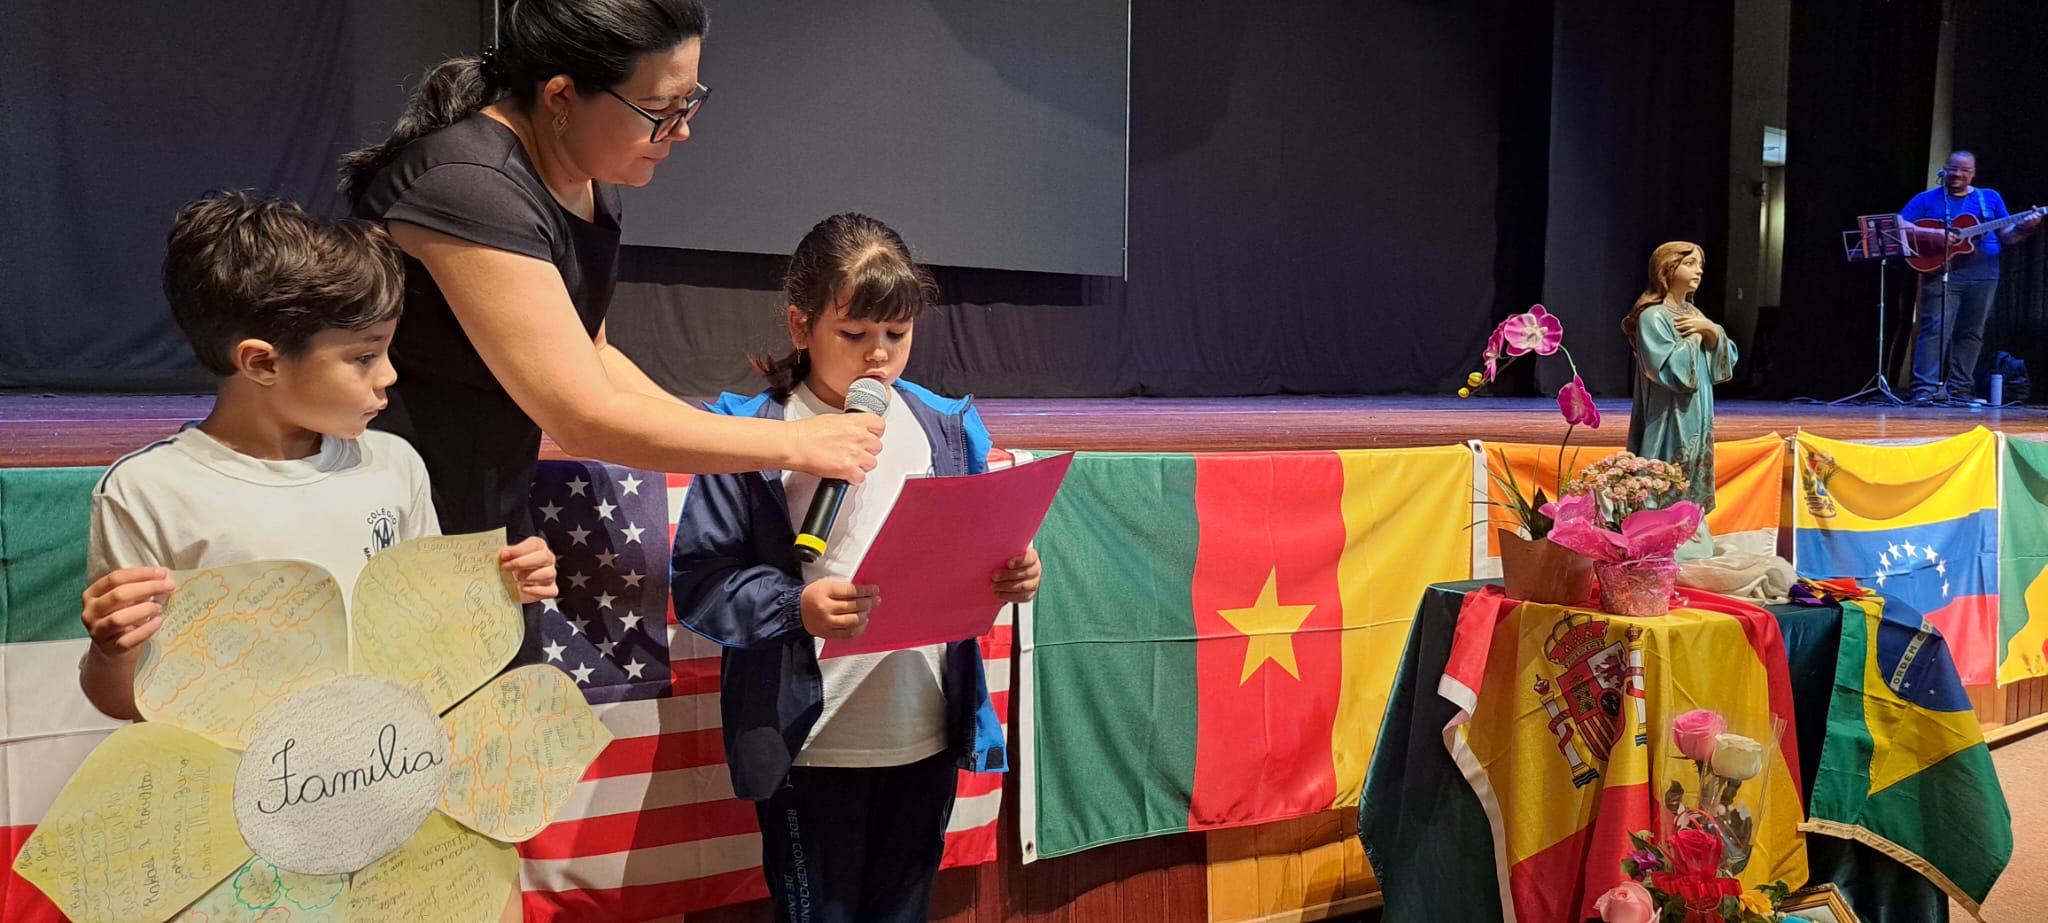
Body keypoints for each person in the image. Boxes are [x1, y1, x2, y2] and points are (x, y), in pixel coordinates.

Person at [341, 0, 882, 547]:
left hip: (481, 504)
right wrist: (790, 444)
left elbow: (594, 354)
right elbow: (583, 418)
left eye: (689, 102)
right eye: (659, 108)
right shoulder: (470, 186)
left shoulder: (584, 181)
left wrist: (739, 443)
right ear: (560, 96)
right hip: (393, 519)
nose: (680, 130)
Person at [670, 214, 1038, 923]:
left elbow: (974, 546)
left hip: (921, 733)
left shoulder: (943, 425)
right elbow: (702, 581)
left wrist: (1013, 568)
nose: (879, 355)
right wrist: (796, 606)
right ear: (800, 325)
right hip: (812, 746)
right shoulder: (751, 431)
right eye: (854, 333)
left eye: (897, 334)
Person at [78, 190, 558, 723]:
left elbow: (425, 639)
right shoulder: (149, 492)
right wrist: (113, 651)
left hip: (382, 758)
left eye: (387, 350)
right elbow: (122, 701)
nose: (389, 375)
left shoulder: (394, 464)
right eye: (364, 356)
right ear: (262, 363)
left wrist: (495, 593)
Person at [1899, 150, 2040, 405]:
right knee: (1935, 329)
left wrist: (2024, 228)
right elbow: (1898, 224)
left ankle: (1960, 388)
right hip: (1940, 272)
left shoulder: (1989, 198)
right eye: (1953, 168)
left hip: (1984, 275)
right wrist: (1933, 235)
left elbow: (2007, 236)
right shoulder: (1927, 199)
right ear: (1944, 169)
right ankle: (1925, 389)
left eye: (1965, 170)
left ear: (1973, 174)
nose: (1958, 174)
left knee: (1972, 332)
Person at [1623, 241, 1734, 561]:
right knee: (1669, 460)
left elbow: (1723, 362)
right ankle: (1661, 524)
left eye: (1700, 265)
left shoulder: (1694, 314)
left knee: (1695, 461)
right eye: (1690, 264)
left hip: (1698, 406)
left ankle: (1689, 521)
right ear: (1667, 270)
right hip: (1669, 411)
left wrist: (1712, 331)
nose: (1698, 271)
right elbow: (1667, 369)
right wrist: (1698, 336)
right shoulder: (1653, 316)